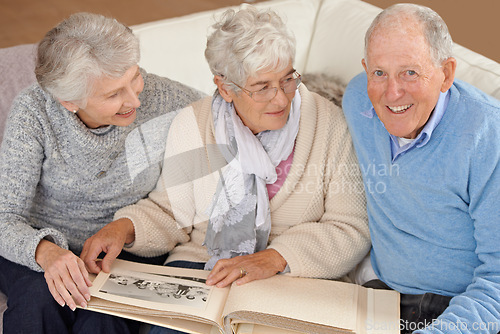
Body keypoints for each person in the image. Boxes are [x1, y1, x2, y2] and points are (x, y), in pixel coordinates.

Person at [81, 5, 370, 334]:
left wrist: (276, 256)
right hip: (202, 267)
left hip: (295, 274)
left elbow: (351, 227)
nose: (280, 100)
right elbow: (170, 211)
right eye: (262, 87)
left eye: (287, 79)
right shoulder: (192, 123)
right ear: (225, 87)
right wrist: (124, 228)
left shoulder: (328, 123)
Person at [0, 12, 203, 334]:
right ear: (68, 101)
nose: (135, 99)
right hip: (40, 244)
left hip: (126, 249)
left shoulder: (177, 103)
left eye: (135, 77)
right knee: (36, 301)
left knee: (104, 320)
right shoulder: (34, 111)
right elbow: (4, 216)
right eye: (113, 94)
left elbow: (229, 131)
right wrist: (46, 251)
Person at [342, 4, 500, 334]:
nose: (392, 93)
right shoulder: (358, 99)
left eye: (410, 72)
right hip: (380, 296)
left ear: (447, 73)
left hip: (460, 308)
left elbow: (498, 284)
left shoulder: (488, 136)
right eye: (379, 72)